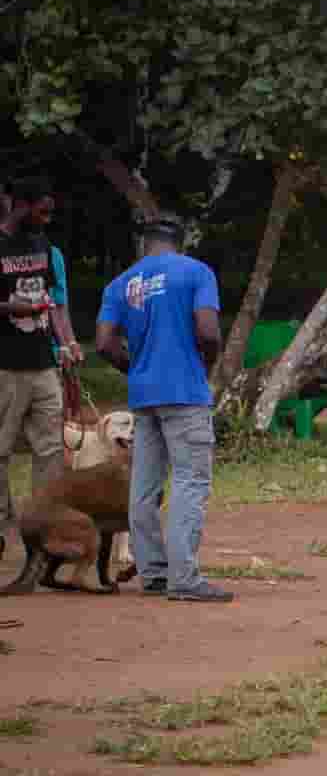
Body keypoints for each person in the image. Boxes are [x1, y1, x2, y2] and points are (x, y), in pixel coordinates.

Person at [93, 214, 234, 602]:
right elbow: (207, 330)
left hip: (143, 396)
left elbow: (104, 343)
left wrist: (133, 367)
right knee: (191, 481)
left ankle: (153, 573)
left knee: (144, 486)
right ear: (180, 242)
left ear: (145, 244)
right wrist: (206, 364)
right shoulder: (196, 272)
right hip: (185, 392)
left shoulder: (120, 284)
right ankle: (185, 579)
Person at [1, 177, 80, 545]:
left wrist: (68, 343)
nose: (47, 219)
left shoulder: (47, 248)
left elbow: (57, 303)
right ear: (19, 204)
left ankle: (43, 527)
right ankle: (2, 526)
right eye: (42, 211)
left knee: (51, 450)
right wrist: (10, 308)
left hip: (44, 363)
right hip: (5, 367)